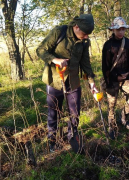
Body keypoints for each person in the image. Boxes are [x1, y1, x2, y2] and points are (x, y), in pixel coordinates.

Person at [36, 14, 98, 153]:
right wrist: (55, 59)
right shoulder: (59, 32)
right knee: (54, 111)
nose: (87, 36)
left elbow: (85, 63)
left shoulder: (84, 42)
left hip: (73, 81)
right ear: (76, 27)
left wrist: (92, 83)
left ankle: (72, 136)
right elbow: (40, 50)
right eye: (85, 33)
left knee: (75, 112)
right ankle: (53, 140)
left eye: (89, 34)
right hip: (55, 80)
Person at [102, 17, 129, 140]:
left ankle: (124, 118)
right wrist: (108, 83)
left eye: (123, 29)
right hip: (112, 79)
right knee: (112, 105)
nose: (121, 32)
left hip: (126, 77)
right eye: (118, 29)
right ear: (113, 30)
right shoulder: (108, 45)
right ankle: (111, 126)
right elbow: (105, 66)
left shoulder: (127, 42)